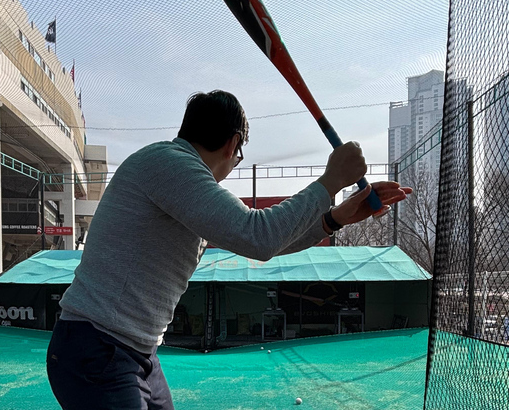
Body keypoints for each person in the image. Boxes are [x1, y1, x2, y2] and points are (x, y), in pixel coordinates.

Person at [46, 90, 412, 410]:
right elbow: (259, 237)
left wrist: (334, 219)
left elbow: (260, 242)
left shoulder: (178, 178)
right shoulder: (171, 165)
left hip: (131, 351)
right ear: (232, 144)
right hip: (97, 349)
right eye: (238, 157)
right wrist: (330, 181)